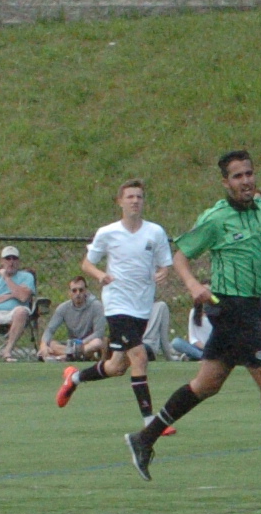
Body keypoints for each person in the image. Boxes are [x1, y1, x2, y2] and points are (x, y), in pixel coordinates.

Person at [125, 150, 261, 488]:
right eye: (238, 176)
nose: (246, 181)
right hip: (230, 309)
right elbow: (181, 256)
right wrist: (194, 285)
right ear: (225, 183)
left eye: (249, 174)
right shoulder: (216, 218)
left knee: (207, 383)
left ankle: (144, 438)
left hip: (249, 307)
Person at [59, 179, 176, 424]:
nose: (135, 201)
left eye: (139, 197)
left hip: (141, 305)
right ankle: (150, 422)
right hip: (117, 304)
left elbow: (165, 263)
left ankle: (74, 378)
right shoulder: (108, 232)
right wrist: (100, 275)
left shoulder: (155, 232)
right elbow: (87, 264)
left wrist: (163, 272)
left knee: (116, 366)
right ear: (120, 201)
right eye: (130, 197)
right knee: (139, 356)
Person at [39, 276, 106, 361]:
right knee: (51, 344)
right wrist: (43, 345)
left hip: (87, 343)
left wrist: (80, 344)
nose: (78, 293)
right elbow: (50, 329)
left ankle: (64, 357)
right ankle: (72, 356)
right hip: (71, 345)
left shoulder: (96, 306)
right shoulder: (63, 308)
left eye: (81, 290)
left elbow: (99, 333)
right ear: (69, 293)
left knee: (97, 342)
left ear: (86, 291)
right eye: (74, 290)